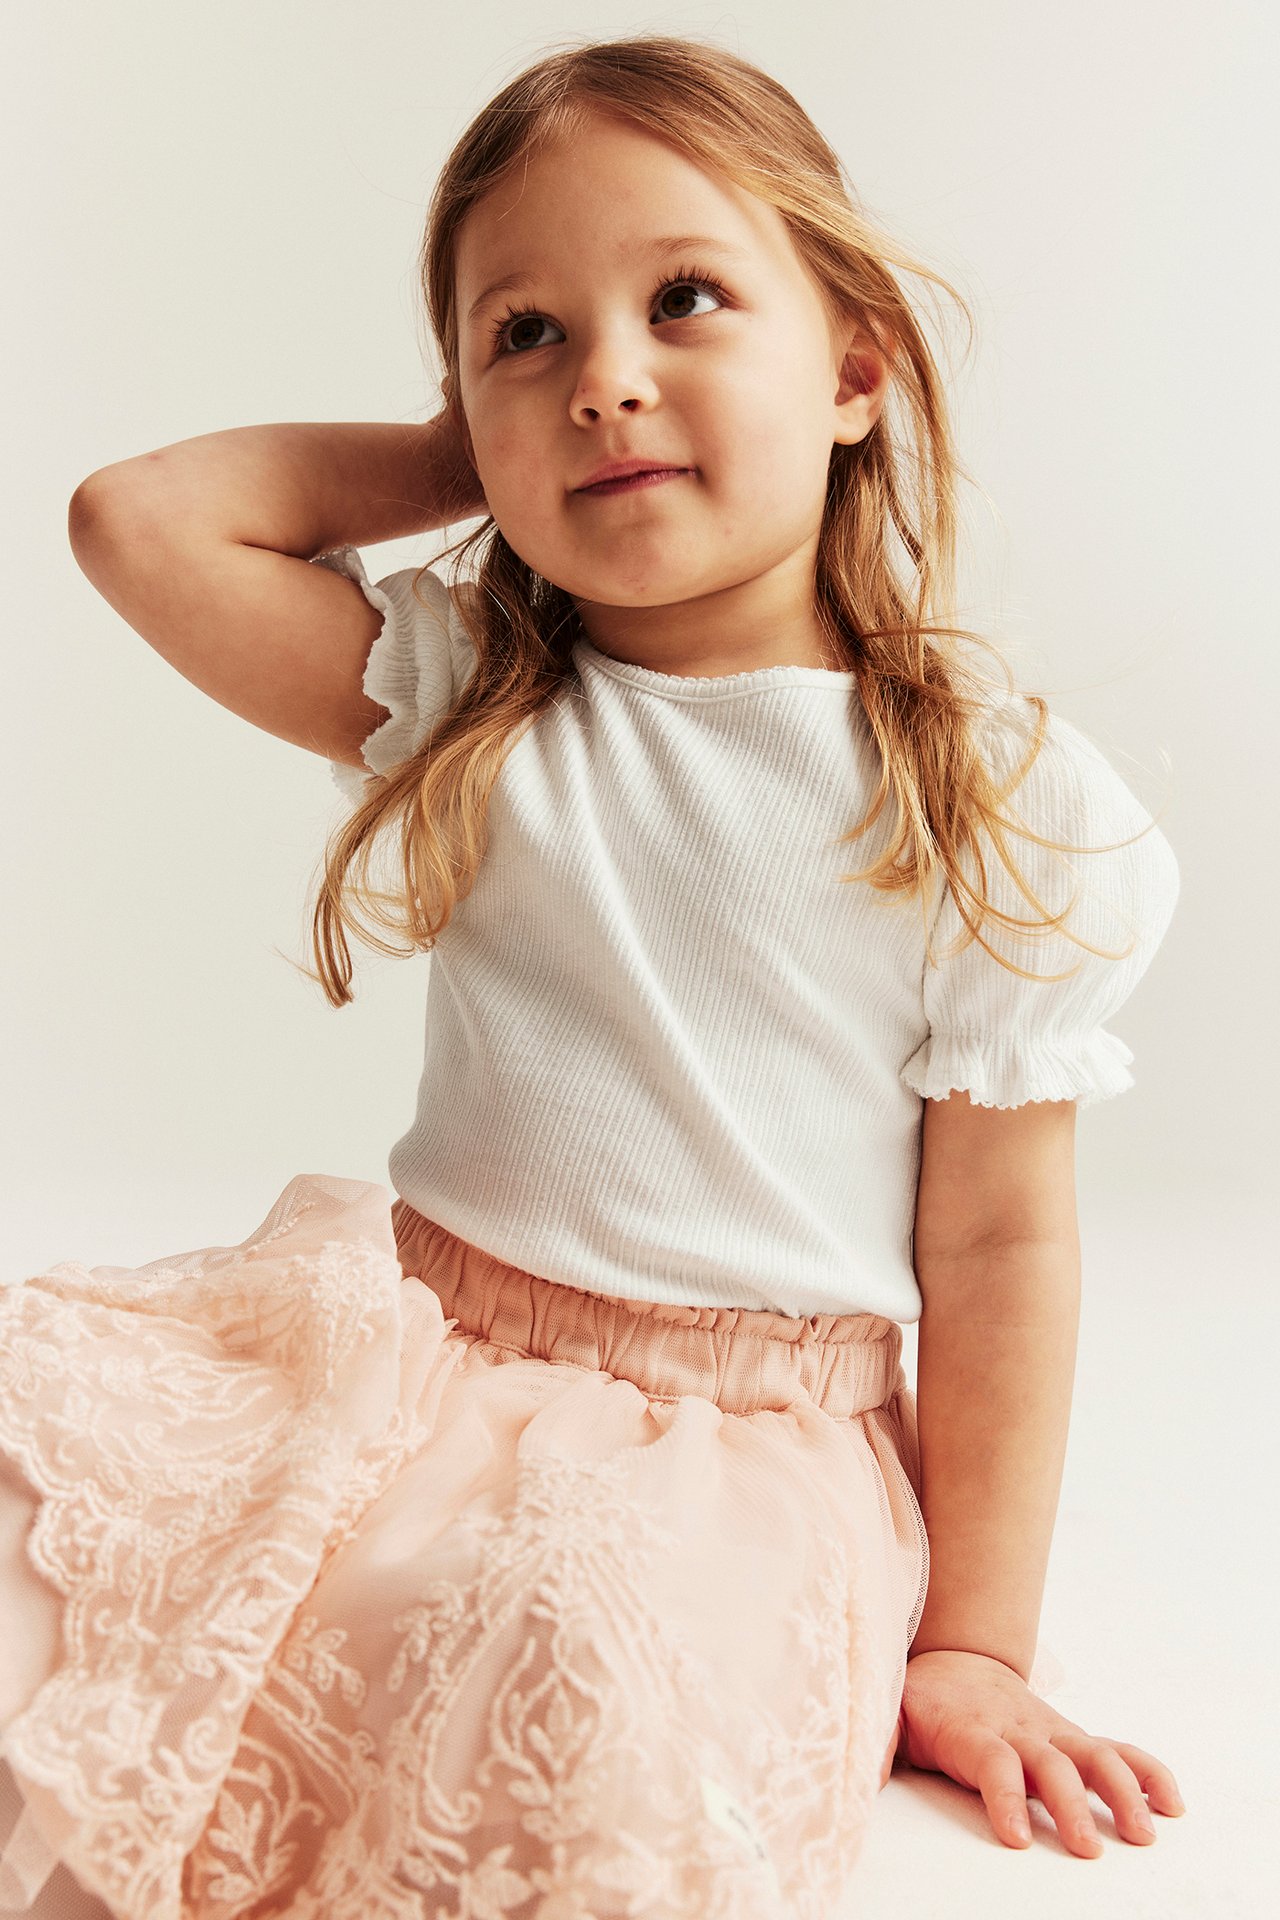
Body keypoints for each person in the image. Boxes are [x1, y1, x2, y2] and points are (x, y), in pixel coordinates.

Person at [0, 31, 1187, 1920]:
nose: (606, 381)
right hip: (406, 1349)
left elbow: (998, 1250)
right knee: (67, 1541)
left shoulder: (995, 798)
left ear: (858, 368)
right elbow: (132, 523)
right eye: (524, 333)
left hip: (734, 1445)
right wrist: (460, 447)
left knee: (570, 1712)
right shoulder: (472, 695)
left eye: (686, 301)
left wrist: (977, 1640)